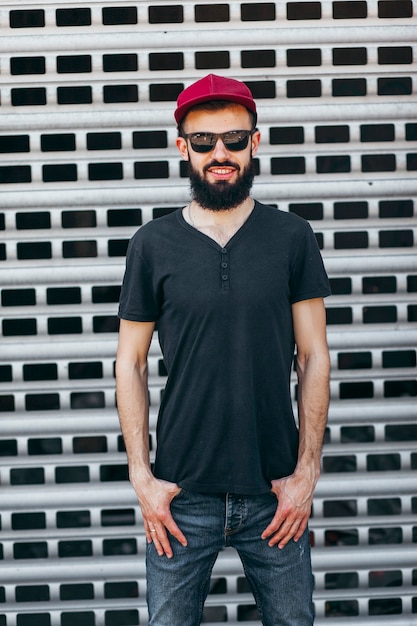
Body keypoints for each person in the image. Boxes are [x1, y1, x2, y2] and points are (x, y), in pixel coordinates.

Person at [116, 73, 331, 626]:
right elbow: (131, 362)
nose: (221, 153)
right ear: (183, 147)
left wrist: (306, 473)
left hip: (274, 492)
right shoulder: (152, 244)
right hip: (181, 496)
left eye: (234, 139)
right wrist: (143, 478)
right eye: (205, 141)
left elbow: (313, 357)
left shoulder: (292, 237)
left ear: (255, 143)